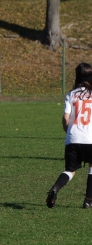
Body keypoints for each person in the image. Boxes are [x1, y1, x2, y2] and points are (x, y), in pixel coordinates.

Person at [46, 62, 92, 209]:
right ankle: (88, 200)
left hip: (72, 138)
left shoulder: (71, 94)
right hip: (90, 138)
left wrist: (69, 132)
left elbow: (66, 118)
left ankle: (55, 188)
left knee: (70, 171)